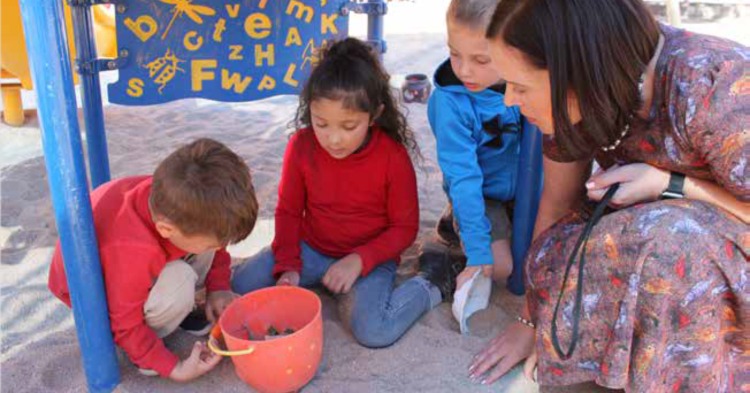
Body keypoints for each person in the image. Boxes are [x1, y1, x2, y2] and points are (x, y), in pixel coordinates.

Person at [469, 0, 748, 391]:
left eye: (521, 86)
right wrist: (530, 320)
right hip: (668, 227)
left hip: (721, 237)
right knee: (564, 245)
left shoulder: (715, 85)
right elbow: (557, 206)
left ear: (576, 75)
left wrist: (670, 184)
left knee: (668, 243)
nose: (510, 101)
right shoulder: (585, 99)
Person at [231, 38, 450, 348]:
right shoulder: (302, 146)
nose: (334, 139)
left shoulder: (392, 157)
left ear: (374, 115)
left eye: (349, 126)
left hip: (369, 259)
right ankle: (318, 281)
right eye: (322, 124)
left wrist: (359, 261)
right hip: (312, 250)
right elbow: (289, 212)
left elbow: (403, 229)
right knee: (240, 285)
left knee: (374, 331)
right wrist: (288, 267)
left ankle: (431, 284)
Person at [48, 138, 259, 381]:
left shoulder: (178, 200)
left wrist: (219, 288)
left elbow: (217, 243)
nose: (221, 248)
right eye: (216, 244)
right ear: (166, 229)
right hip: (102, 297)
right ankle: (148, 347)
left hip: (136, 265)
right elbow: (124, 323)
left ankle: (180, 311)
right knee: (180, 277)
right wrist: (173, 368)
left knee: (204, 244)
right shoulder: (133, 250)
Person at [421, 0, 522, 301]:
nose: (465, 70)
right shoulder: (450, 104)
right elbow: (463, 178)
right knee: (502, 268)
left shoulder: (529, 79)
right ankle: (455, 238)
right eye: (454, 53)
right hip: (482, 193)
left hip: (527, 189)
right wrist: (479, 253)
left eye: (481, 59)